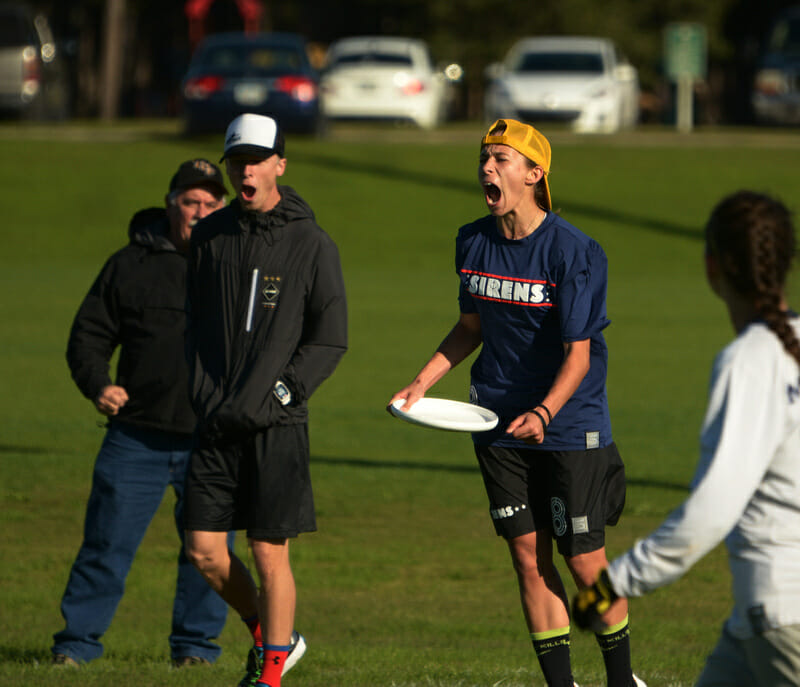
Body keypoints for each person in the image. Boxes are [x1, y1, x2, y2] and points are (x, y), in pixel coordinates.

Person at [389, 119, 644, 687]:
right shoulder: (472, 240)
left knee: (584, 563)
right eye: (484, 157)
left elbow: (578, 357)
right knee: (528, 557)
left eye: (501, 159)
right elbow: (468, 328)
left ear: (534, 174)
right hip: (496, 424)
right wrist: (421, 382)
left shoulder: (575, 252)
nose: (487, 167)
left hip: (568, 424)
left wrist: (546, 413)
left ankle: (622, 678)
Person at [573, 190, 800, 686]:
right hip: (753, 625)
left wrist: (614, 584)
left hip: (782, 617)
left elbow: (712, 509)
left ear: (712, 267)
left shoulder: (750, 360)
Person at [183, 113, 348, 687]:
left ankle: (271, 674)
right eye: (236, 161)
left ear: (281, 163)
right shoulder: (209, 236)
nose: (244, 170)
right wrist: (200, 390)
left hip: (277, 425)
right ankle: (270, 633)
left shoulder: (312, 243)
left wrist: (284, 390)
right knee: (204, 550)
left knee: (267, 551)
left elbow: (330, 338)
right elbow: (192, 325)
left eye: (255, 160)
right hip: (214, 422)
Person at [53, 159, 232, 668]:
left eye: (210, 204)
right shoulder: (129, 264)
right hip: (135, 438)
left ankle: (196, 651)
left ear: (223, 208)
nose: (200, 212)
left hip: (213, 438)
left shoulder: (236, 262)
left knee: (210, 555)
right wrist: (99, 385)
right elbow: (88, 335)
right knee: (106, 545)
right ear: (171, 203)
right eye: (190, 202)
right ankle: (76, 646)